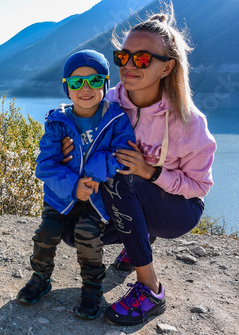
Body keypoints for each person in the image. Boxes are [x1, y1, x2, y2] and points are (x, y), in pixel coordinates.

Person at [61, 4, 216, 326]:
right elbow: (74, 123)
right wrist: (69, 147)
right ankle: (139, 240)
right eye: (123, 56)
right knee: (70, 231)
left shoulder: (190, 124)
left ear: (166, 67)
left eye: (143, 58)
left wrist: (151, 172)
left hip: (177, 210)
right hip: (128, 199)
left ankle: (151, 289)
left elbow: (199, 187)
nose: (129, 65)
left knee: (122, 176)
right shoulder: (109, 104)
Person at [17, 49, 136, 320]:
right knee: (47, 231)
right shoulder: (57, 122)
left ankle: (92, 287)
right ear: (66, 88)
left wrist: (90, 176)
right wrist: (73, 185)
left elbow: (121, 153)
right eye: (76, 82)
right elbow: (45, 165)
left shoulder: (116, 119)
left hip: (96, 197)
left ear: (105, 84)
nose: (85, 88)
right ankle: (40, 277)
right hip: (60, 197)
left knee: (87, 233)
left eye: (94, 81)